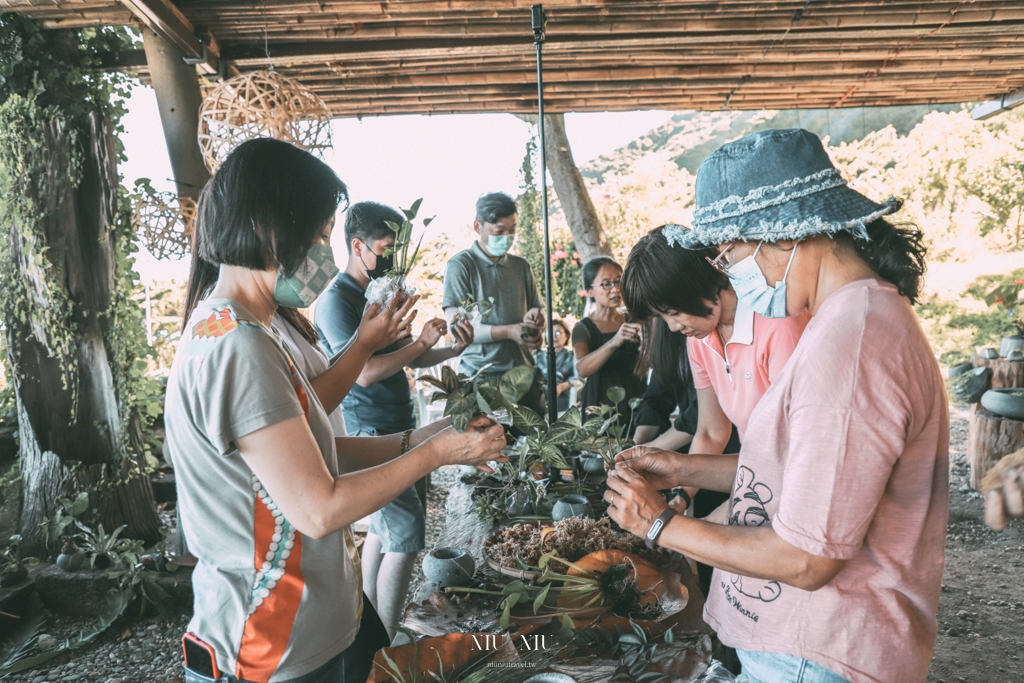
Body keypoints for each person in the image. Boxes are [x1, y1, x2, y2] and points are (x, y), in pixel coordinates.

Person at [607, 128, 949, 683]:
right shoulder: (851, 321)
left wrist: (659, 525)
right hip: (803, 642)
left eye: (730, 252)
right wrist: (679, 467)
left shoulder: (851, 345)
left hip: (818, 648)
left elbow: (807, 559)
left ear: (782, 237)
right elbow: (806, 478)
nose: (731, 271)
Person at [165, 138, 508, 683]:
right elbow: (318, 507)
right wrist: (438, 452)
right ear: (266, 228)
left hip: (311, 627)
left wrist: (425, 437)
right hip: (269, 645)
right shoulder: (238, 345)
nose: (327, 251)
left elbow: (313, 449)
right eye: (323, 233)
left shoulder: (250, 326)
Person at [313, 201, 475, 640]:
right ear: (358, 245)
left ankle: (366, 630)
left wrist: (447, 348)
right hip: (371, 430)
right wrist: (418, 340)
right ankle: (384, 639)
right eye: (386, 248)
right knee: (406, 537)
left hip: (402, 424)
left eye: (397, 249)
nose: (390, 258)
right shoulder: (336, 302)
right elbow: (364, 373)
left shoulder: (384, 291)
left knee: (385, 535)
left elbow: (408, 356)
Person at [442, 192, 547, 416]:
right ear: (478, 226)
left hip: (523, 376)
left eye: (513, 230)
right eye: (499, 231)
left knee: (534, 449)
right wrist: (510, 331)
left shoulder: (521, 266)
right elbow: (458, 329)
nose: (507, 236)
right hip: (480, 378)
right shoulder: (461, 266)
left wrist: (536, 325)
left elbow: (536, 311)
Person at [572, 256, 646, 428]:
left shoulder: (634, 320)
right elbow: (582, 369)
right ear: (589, 291)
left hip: (636, 401)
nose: (616, 289)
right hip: (600, 406)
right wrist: (614, 342)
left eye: (619, 281)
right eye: (606, 284)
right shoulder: (583, 328)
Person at [534, 318, 576, 414]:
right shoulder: (537, 356)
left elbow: (578, 379)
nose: (554, 336)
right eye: (550, 333)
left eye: (558, 333)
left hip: (561, 393)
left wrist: (562, 386)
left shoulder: (571, 356)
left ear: (566, 336)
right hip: (539, 392)